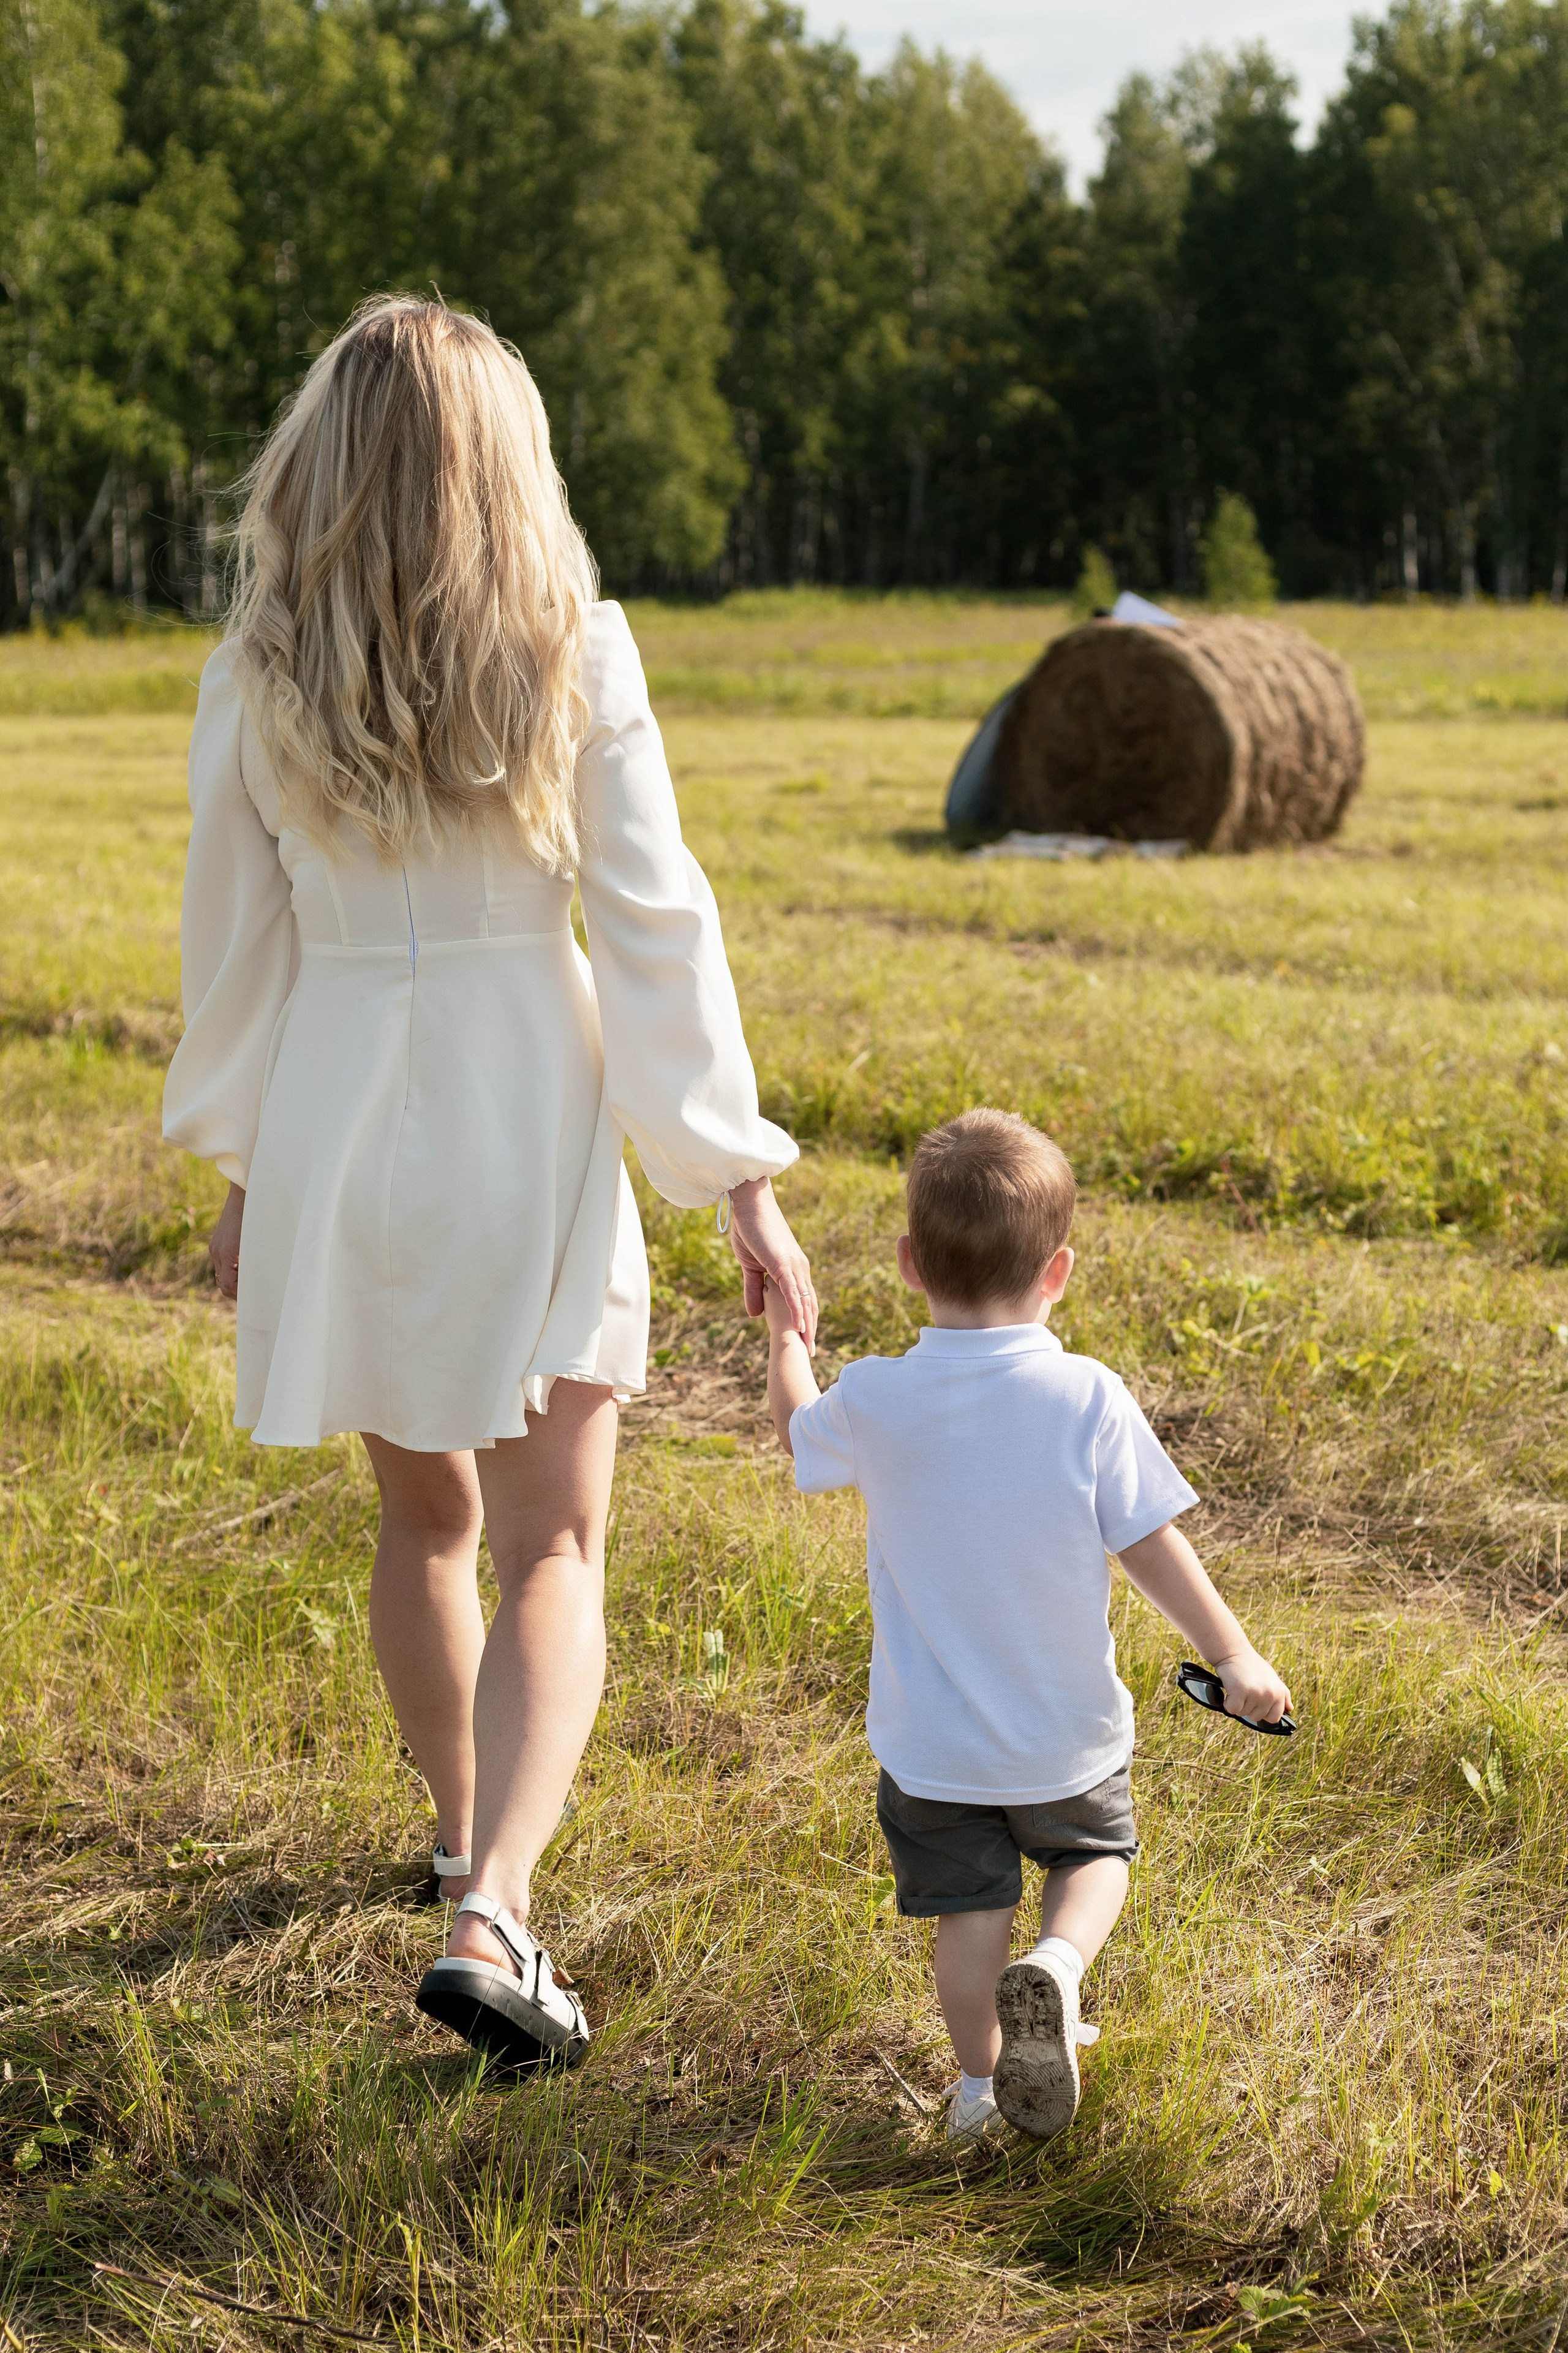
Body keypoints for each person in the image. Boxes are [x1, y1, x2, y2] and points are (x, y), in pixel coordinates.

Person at [162, 293, 816, 2077]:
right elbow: (657, 922)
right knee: (556, 1543)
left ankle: (463, 1840)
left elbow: (234, 948)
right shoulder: (573, 651)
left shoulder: (257, 675)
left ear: (318, 468)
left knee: (425, 1523)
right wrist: (734, 1178)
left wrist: (248, 1167)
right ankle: (498, 1908)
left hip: (342, 1106)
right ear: (506, 468)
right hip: (525, 1095)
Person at [761, 1109, 1289, 2145]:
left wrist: (787, 1338)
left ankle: (977, 2088)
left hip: (933, 1749)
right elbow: (1151, 1543)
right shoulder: (1086, 1396)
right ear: (1059, 1272)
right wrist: (1232, 1652)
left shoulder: (877, 1397)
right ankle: (1057, 1962)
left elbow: (795, 1430)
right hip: (1063, 1732)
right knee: (1095, 1855)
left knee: (969, 1918)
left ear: (910, 1264)